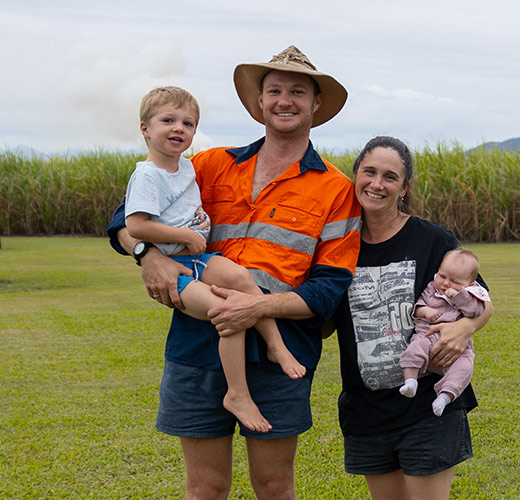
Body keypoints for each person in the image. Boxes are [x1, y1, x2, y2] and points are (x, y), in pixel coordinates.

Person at [108, 46, 360, 500]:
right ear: (259, 102)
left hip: (281, 355)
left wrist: (255, 306)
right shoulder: (207, 165)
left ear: (315, 104)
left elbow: (329, 288)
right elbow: (125, 219)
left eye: (298, 92)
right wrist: (148, 255)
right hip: (196, 345)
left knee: (274, 486)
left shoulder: (337, 189)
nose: (285, 100)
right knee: (205, 487)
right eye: (275, 90)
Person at [120, 86, 307, 434]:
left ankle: (275, 346)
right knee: (228, 312)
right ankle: (237, 394)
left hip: (201, 258)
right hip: (182, 265)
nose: (178, 128)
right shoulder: (150, 173)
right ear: (145, 128)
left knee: (241, 279)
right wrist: (152, 251)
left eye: (187, 123)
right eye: (168, 121)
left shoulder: (190, 167)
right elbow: (131, 221)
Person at [333, 136, 492, 500]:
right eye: (369, 172)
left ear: (404, 187)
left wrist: (464, 328)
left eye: (390, 177)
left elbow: (483, 300)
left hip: (426, 407)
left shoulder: (432, 239)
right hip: (366, 408)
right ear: (355, 176)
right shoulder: (338, 243)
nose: (377, 183)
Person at [397, 247, 488, 416]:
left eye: (455, 281)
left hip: (457, 344)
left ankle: (445, 396)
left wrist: (459, 295)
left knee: (465, 367)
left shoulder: (470, 294)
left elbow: (475, 311)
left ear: (469, 284)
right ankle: (410, 381)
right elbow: (416, 307)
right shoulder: (432, 288)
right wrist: (425, 311)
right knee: (415, 349)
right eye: (442, 276)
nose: (446, 283)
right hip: (427, 334)